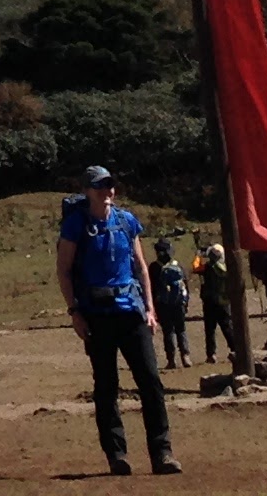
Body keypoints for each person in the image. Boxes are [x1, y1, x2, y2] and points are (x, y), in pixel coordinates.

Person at [56, 165, 180, 476]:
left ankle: (162, 452)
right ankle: (116, 455)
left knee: (151, 382)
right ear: (87, 190)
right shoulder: (76, 225)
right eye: (100, 186)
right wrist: (74, 312)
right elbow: (64, 270)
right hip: (96, 315)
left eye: (110, 185)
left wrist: (150, 308)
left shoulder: (127, 221)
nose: (107, 191)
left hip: (131, 312)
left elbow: (140, 266)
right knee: (107, 386)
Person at [150, 232, 193, 366]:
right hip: (178, 303)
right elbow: (185, 285)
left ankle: (171, 359)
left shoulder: (154, 267)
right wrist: (186, 303)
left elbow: (151, 288)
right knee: (181, 329)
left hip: (162, 303)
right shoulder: (178, 265)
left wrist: (152, 306)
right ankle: (185, 356)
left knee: (168, 331)